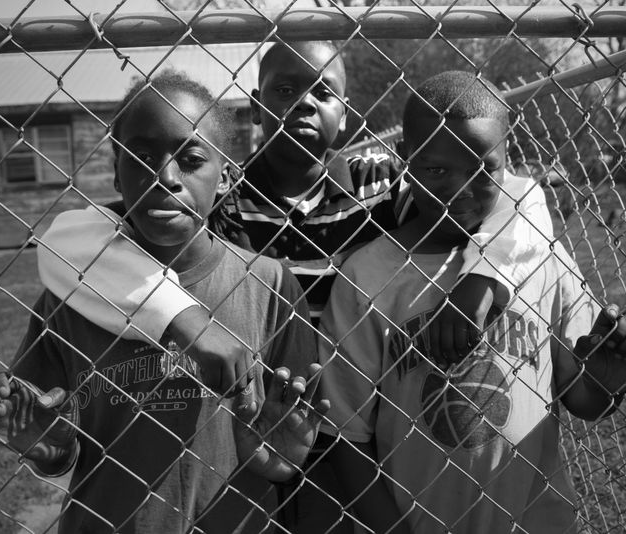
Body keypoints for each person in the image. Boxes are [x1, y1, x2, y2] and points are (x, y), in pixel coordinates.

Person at [35, 42, 553, 532]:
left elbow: (515, 196)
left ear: (345, 113)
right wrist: (181, 316)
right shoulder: (216, 195)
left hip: (355, 431)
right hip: (249, 421)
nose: (305, 103)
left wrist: (484, 279)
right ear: (257, 106)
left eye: (323, 92)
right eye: (285, 90)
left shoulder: (383, 186)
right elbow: (73, 238)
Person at [0, 70, 329, 534]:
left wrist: (277, 459)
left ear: (226, 177)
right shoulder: (71, 296)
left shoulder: (270, 285)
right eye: (141, 156)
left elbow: (284, 440)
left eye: (192, 159)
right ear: (116, 169)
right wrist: (47, 450)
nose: (165, 177)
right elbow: (57, 445)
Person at [317, 71, 626, 534]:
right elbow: (346, 437)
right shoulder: (366, 275)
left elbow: (584, 400)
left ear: (506, 162)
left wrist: (607, 381)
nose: (459, 189)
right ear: (406, 161)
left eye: (482, 168)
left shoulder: (543, 258)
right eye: (436, 170)